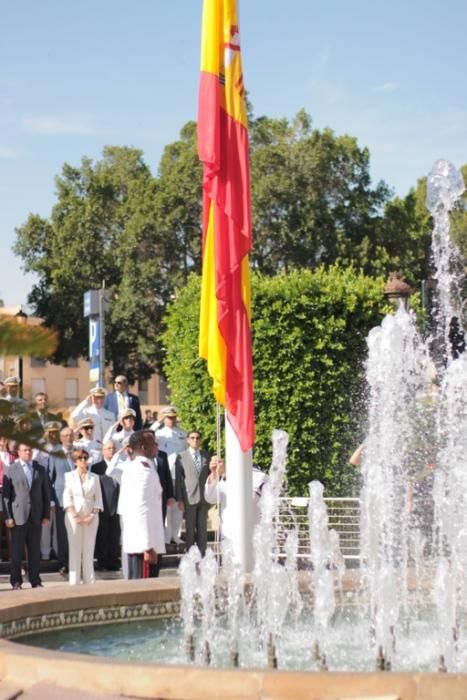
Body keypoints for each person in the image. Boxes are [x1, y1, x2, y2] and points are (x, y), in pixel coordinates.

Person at [2, 443, 51, 589]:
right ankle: (16, 581)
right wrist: (7, 516)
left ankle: (35, 580)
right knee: (17, 552)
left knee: (35, 550)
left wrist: (46, 515)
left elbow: (46, 494)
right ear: (19, 452)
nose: (28, 453)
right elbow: (6, 496)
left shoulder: (40, 469)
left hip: (36, 516)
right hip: (18, 516)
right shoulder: (11, 470)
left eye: (30, 450)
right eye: (25, 450)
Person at [118, 431, 165, 579]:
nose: (157, 445)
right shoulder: (142, 470)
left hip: (141, 541)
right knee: (144, 589)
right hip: (144, 545)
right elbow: (141, 507)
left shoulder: (138, 467)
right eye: (153, 443)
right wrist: (147, 544)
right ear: (144, 447)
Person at [63, 448, 103, 585]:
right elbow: (67, 497)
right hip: (73, 517)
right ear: (75, 461)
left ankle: (89, 580)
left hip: (91, 517)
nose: (83, 461)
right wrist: (75, 515)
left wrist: (91, 515)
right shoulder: (69, 476)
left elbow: (98, 500)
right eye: (80, 458)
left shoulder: (94, 477)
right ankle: (73, 581)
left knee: (89, 549)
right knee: (74, 549)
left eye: (85, 458)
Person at [204, 456, 268, 541]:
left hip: (251, 537)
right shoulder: (226, 477)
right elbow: (210, 498)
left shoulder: (259, 476)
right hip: (228, 536)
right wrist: (213, 473)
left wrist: (228, 477)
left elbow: (249, 501)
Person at [152, 406, 186, 545]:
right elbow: (147, 433)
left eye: (173, 417)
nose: (171, 420)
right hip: (165, 473)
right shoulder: (159, 433)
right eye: (168, 417)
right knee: (167, 504)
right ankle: (166, 535)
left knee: (178, 505)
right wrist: (157, 422)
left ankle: (176, 535)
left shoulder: (182, 433)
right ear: (163, 418)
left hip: (179, 473)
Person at [174, 430, 211, 556]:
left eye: (197, 438)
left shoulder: (206, 456)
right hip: (189, 497)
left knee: (202, 529)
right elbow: (179, 479)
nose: (195, 440)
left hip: (204, 498)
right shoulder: (181, 457)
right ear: (188, 440)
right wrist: (179, 499)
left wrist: (211, 497)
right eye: (192, 438)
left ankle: (202, 555)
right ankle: (190, 554)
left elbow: (210, 477)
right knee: (190, 529)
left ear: (200, 440)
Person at [47, 426, 75, 575]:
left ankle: (76, 561)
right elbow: (49, 477)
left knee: (77, 531)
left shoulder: (78, 453)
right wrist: (51, 500)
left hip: (78, 500)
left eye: (71, 435)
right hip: (60, 499)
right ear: (61, 438)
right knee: (62, 533)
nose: (68, 438)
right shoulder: (54, 454)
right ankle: (64, 562)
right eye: (65, 435)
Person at [91, 441, 121, 571]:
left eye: (114, 448)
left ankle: (114, 560)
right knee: (102, 535)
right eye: (109, 448)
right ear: (103, 451)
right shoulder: (97, 468)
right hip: (103, 505)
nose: (112, 450)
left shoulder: (121, 466)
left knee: (115, 535)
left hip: (118, 505)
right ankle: (102, 561)